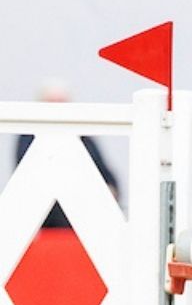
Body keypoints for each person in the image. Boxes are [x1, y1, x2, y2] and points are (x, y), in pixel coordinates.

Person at [12, 78, 120, 229]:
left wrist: (109, 190)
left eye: (61, 103)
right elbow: (29, 177)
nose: (58, 110)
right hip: (47, 217)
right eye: (52, 104)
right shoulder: (28, 137)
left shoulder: (84, 138)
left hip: (84, 213)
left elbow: (106, 174)